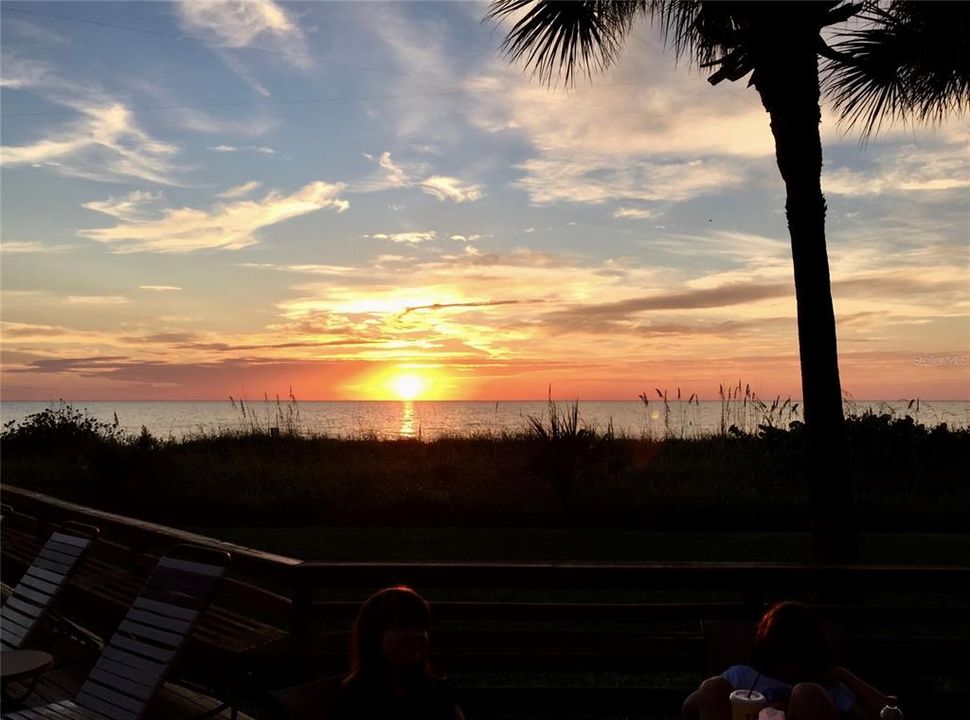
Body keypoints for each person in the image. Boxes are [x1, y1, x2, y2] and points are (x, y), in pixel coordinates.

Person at [683, 601, 894, 720]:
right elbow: (691, 707)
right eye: (782, 656)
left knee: (806, 693)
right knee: (713, 686)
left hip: (810, 700)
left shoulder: (824, 688)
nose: (788, 665)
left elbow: (888, 714)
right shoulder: (742, 676)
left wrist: (842, 675)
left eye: (797, 657)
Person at [331, 586, 465, 720]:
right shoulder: (352, 696)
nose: (415, 635)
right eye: (401, 627)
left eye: (420, 627)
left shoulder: (439, 691)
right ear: (373, 636)